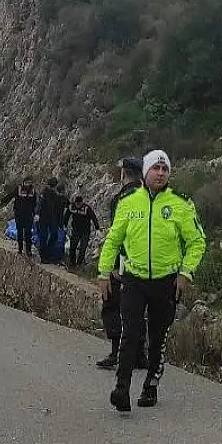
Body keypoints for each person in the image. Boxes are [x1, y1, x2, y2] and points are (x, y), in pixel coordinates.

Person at [97, 149, 207, 411]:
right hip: (133, 279)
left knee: (157, 338)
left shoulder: (181, 204)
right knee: (130, 333)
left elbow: (197, 242)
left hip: (166, 282)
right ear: (145, 171)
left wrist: (185, 273)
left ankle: (150, 385)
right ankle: (121, 389)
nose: (160, 173)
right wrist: (104, 272)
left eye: (164, 169)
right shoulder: (128, 202)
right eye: (155, 168)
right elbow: (113, 239)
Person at [98, 158, 147, 370]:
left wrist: (115, 265)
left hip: (124, 262)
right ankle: (140, 354)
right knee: (138, 308)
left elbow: (118, 234)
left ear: (124, 174)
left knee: (113, 305)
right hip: (145, 263)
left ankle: (117, 352)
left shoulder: (122, 199)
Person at [64, 195, 101, 268]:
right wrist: (64, 225)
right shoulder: (72, 207)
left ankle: (79, 264)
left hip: (85, 232)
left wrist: (97, 228)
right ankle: (72, 263)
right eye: (76, 203)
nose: (77, 205)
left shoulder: (86, 208)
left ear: (82, 202)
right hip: (75, 231)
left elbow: (93, 217)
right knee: (72, 247)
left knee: (83, 248)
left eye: (79, 204)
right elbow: (67, 216)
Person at [37, 178, 66, 265]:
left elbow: (59, 210)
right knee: (44, 236)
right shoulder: (44, 194)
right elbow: (39, 205)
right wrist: (37, 214)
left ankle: (48, 254)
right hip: (44, 218)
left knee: (54, 235)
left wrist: (60, 223)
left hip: (52, 219)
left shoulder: (55, 196)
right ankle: (43, 256)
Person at [11, 178, 37, 257]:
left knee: (28, 233)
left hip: (28, 215)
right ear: (23, 182)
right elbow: (10, 196)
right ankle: (20, 248)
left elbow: (34, 203)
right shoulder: (18, 189)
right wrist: (1, 203)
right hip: (19, 215)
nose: (28, 184)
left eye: (29, 183)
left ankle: (28, 250)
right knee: (20, 232)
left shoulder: (33, 191)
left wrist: (35, 214)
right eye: (26, 183)